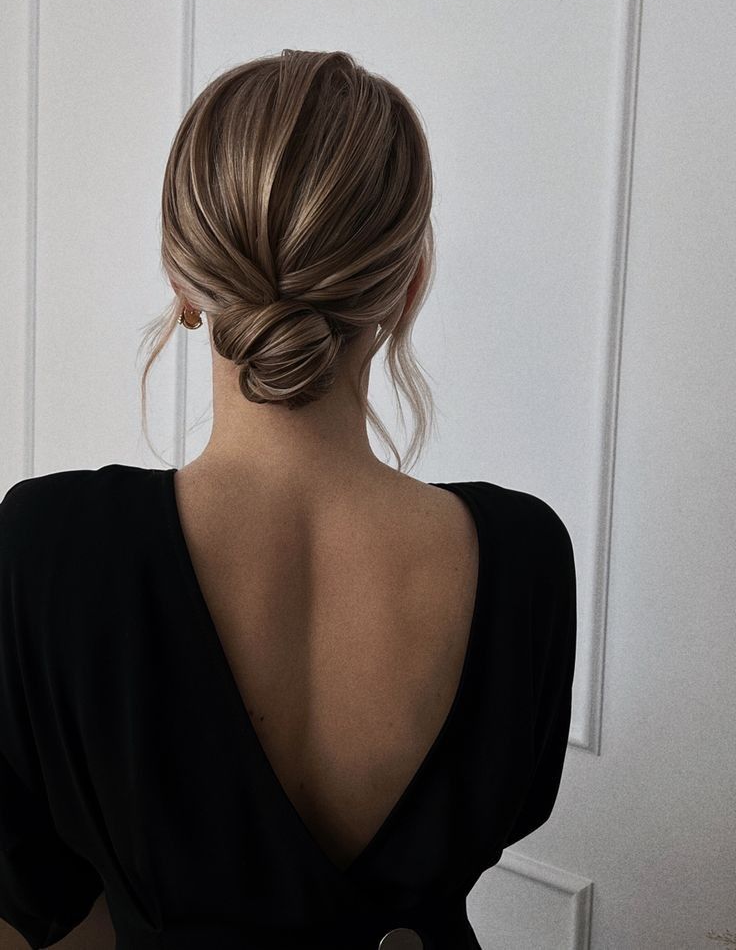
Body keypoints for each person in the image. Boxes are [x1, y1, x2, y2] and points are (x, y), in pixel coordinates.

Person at [0, 49, 576, 950]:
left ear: (182, 281)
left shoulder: (44, 549)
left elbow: (31, 897)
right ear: (408, 284)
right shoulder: (525, 556)